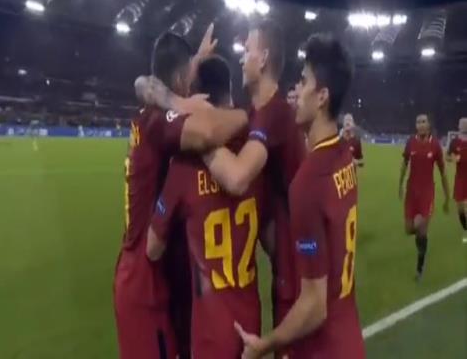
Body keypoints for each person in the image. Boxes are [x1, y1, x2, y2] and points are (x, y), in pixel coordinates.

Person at [114, 26, 248, 359]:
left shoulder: (153, 112)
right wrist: (248, 116)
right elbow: (205, 133)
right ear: (178, 80)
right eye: (189, 77)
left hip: (148, 271)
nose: (193, 86)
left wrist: (196, 60)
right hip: (144, 281)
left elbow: (146, 83)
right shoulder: (160, 121)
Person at [235, 33, 365, 359]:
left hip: (322, 348)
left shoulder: (307, 183)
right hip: (350, 339)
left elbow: (314, 306)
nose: (297, 88)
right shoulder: (345, 157)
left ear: (322, 97)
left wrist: (264, 344)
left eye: (304, 81)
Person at [146, 55, 267, 358]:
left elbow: (152, 248)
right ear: (228, 91)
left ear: (198, 97)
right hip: (251, 326)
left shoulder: (184, 166)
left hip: (210, 334)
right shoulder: (255, 153)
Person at [202, 20, 306, 358]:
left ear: (263, 59)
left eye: (247, 50)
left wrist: (201, 144)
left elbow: (236, 178)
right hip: (287, 269)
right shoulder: (257, 114)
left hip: (300, 275)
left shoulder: (276, 114)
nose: (242, 57)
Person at [398, 114, 450, 281]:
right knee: (409, 229)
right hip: (411, 193)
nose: (420, 124)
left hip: (427, 193)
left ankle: (420, 266)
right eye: (418, 122)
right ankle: (422, 238)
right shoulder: (410, 143)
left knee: (420, 226)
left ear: (428, 125)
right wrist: (400, 185)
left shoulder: (435, 145)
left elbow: (443, 172)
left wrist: (447, 197)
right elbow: (404, 164)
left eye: (423, 122)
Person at [446, 117, 467, 243]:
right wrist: (454, 158)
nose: (464, 126)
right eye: (462, 124)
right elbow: (447, 156)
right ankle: (465, 228)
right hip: (460, 179)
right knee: (460, 209)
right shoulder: (454, 142)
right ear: (459, 126)